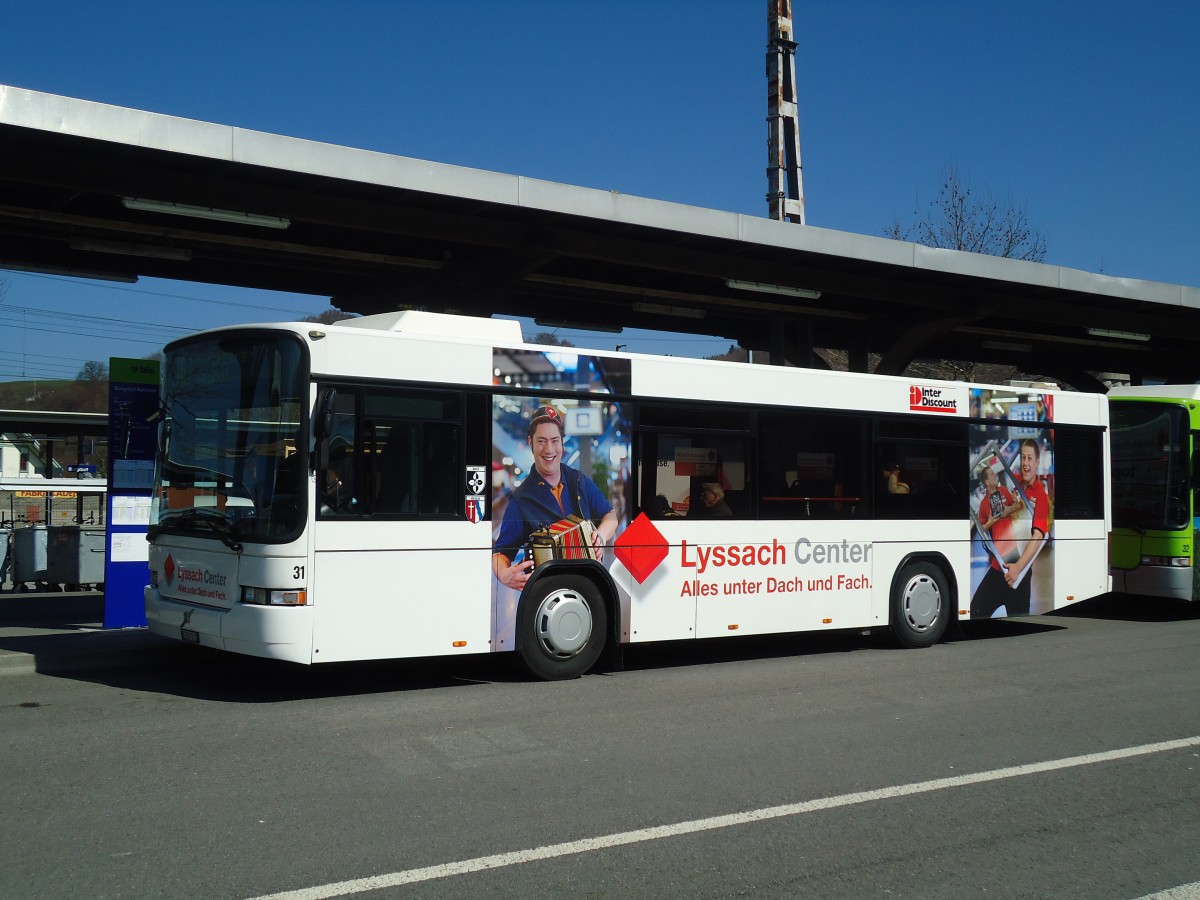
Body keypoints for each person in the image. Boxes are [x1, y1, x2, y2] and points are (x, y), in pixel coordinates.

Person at [492, 405, 618, 591]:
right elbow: (500, 553)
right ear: (530, 443)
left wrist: (601, 535)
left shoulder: (579, 481)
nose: (549, 449)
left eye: (555, 440)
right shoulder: (521, 500)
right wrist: (503, 575)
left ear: (562, 443)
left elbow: (611, 516)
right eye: (541, 441)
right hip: (547, 596)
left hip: (588, 587)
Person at [970, 439, 1050, 618]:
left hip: (1018, 574)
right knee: (975, 613)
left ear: (1037, 462)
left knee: (1018, 626)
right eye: (1023, 458)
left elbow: (1038, 535)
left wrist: (1018, 568)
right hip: (998, 569)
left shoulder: (1040, 496)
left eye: (1030, 458)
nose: (1025, 463)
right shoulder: (1014, 488)